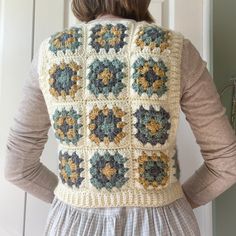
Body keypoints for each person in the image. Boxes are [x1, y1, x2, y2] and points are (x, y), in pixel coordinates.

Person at [4, 0, 236, 235]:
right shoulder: (176, 50)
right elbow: (226, 162)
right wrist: (175, 202)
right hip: (164, 224)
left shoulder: (51, 54)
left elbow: (17, 167)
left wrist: (73, 197)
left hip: (73, 225)